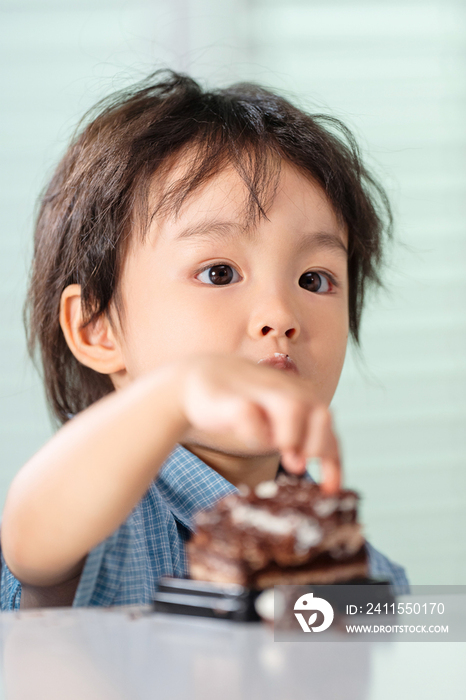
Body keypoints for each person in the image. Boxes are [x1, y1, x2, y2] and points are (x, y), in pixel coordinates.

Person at [0, 71, 408, 610]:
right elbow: (30, 539)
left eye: (314, 279)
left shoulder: (360, 574)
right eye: (218, 273)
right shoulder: (103, 519)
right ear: (96, 327)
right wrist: (178, 391)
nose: (279, 315)